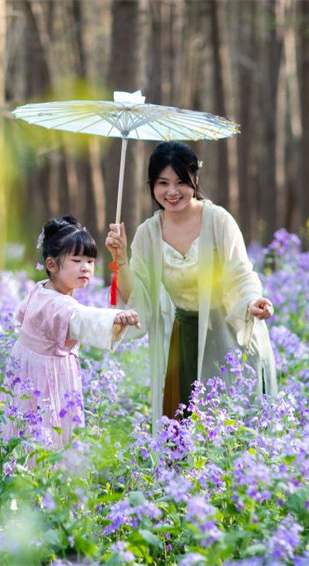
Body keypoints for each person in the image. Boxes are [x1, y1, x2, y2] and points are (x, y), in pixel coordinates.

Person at [105, 141, 277, 428]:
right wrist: (121, 258)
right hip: (184, 339)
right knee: (183, 431)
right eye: (162, 183)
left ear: (195, 180)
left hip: (229, 332)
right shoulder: (148, 233)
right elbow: (139, 296)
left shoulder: (218, 220)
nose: (172, 192)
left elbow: (241, 273)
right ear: (152, 185)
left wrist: (252, 302)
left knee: (231, 426)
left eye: (181, 182)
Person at [6, 215, 141, 449]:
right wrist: (116, 317)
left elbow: (21, 314)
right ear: (51, 264)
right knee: (49, 439)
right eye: (77, 260)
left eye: (90, 261)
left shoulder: (40, 290)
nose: (86, 268)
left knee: (27, 437)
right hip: (46, 383)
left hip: (28, 374)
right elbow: (81, 319)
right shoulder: (57, 304)